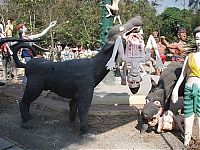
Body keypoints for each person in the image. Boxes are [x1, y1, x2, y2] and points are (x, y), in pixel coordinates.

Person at [171, 26, 200, 147]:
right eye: (197, 39)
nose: (199, 41)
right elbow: (182, 75)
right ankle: (186, 143)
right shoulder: (190, 56)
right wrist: (175, 90)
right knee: (188, 116)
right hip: (188, 89)